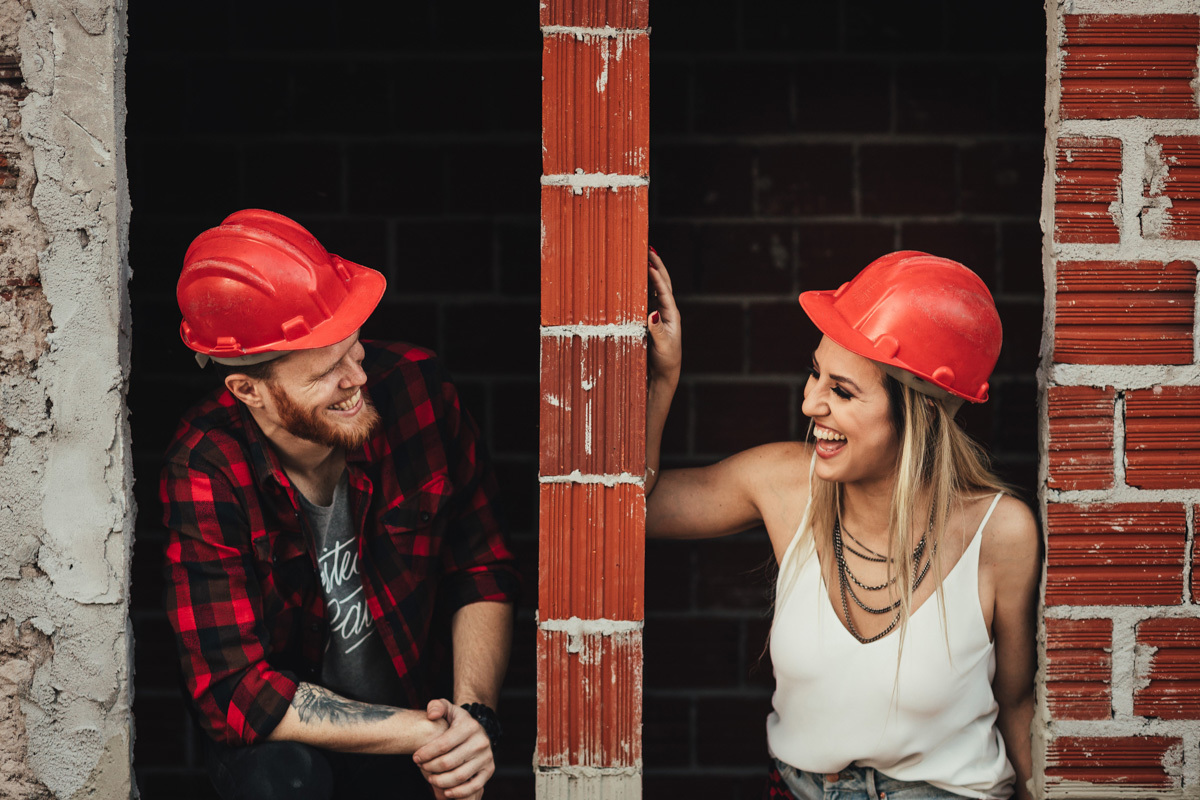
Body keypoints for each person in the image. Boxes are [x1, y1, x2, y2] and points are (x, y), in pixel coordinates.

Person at [644, 249, 1039, 800]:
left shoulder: (1002, 534)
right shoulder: (786, 484)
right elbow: (634, 508)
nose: (810, 403)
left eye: (842, 390)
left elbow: (1018, 704)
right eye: (815, 373)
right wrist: (663, 381)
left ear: (919, 414)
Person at [160, 209, 520, 800]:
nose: (358, 378)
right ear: (249, 390)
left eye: (354, 349)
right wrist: (425, 733)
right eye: (327, 372)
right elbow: (232, 688)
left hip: (421, 717)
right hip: (301, 750)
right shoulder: (205, 465)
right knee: (282, 783)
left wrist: (471, 721)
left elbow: (481, 567)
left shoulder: (415, 389)